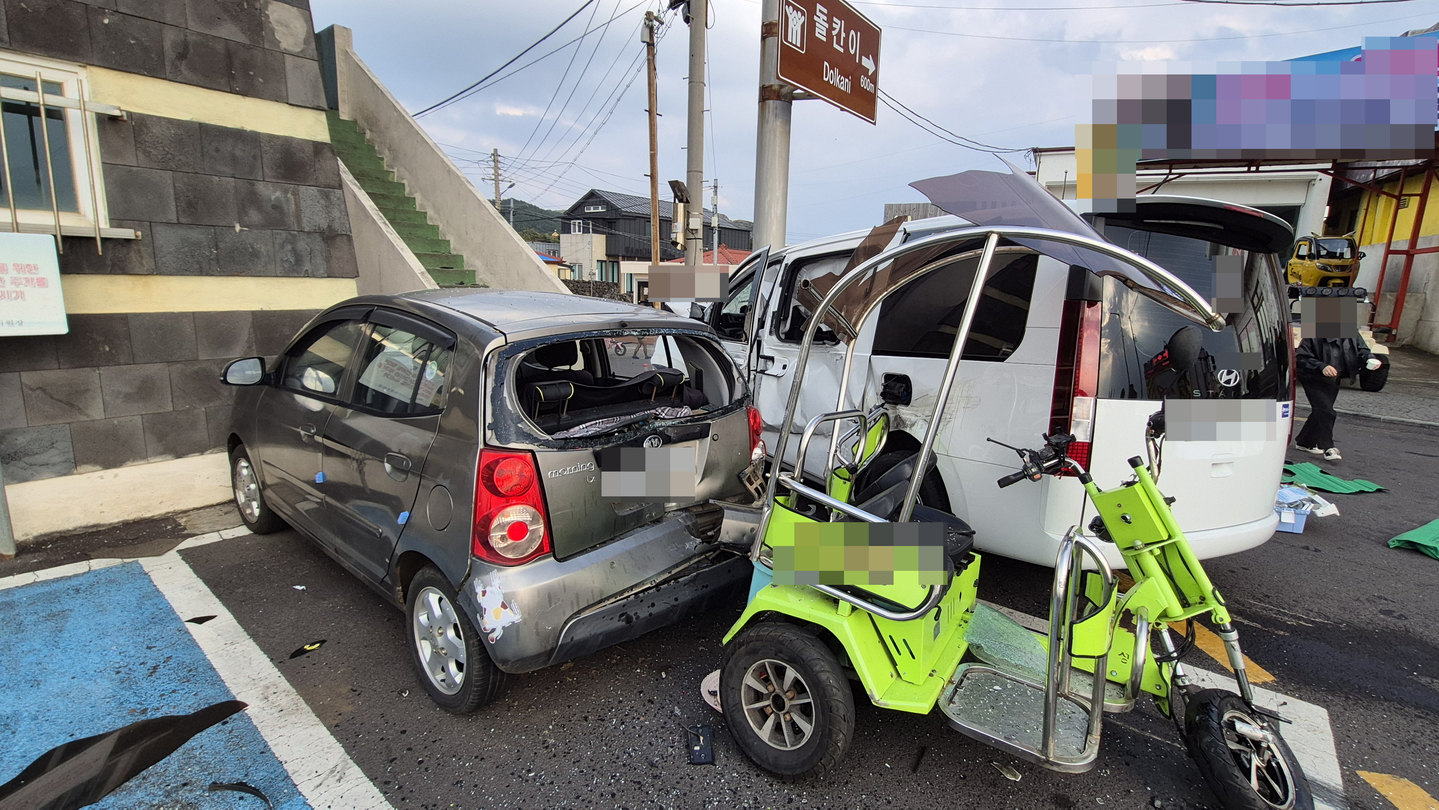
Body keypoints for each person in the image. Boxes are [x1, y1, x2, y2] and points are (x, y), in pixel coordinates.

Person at [1293, 334, 1381, 460]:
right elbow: (1301, 357)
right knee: (1327, 412)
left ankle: (1305, 442)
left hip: (1333, 378)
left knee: (1321, 411)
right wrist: (1322, 366)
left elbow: (1362, 349)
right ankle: (1328, 448)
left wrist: (1369, 358)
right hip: (1312, 378)